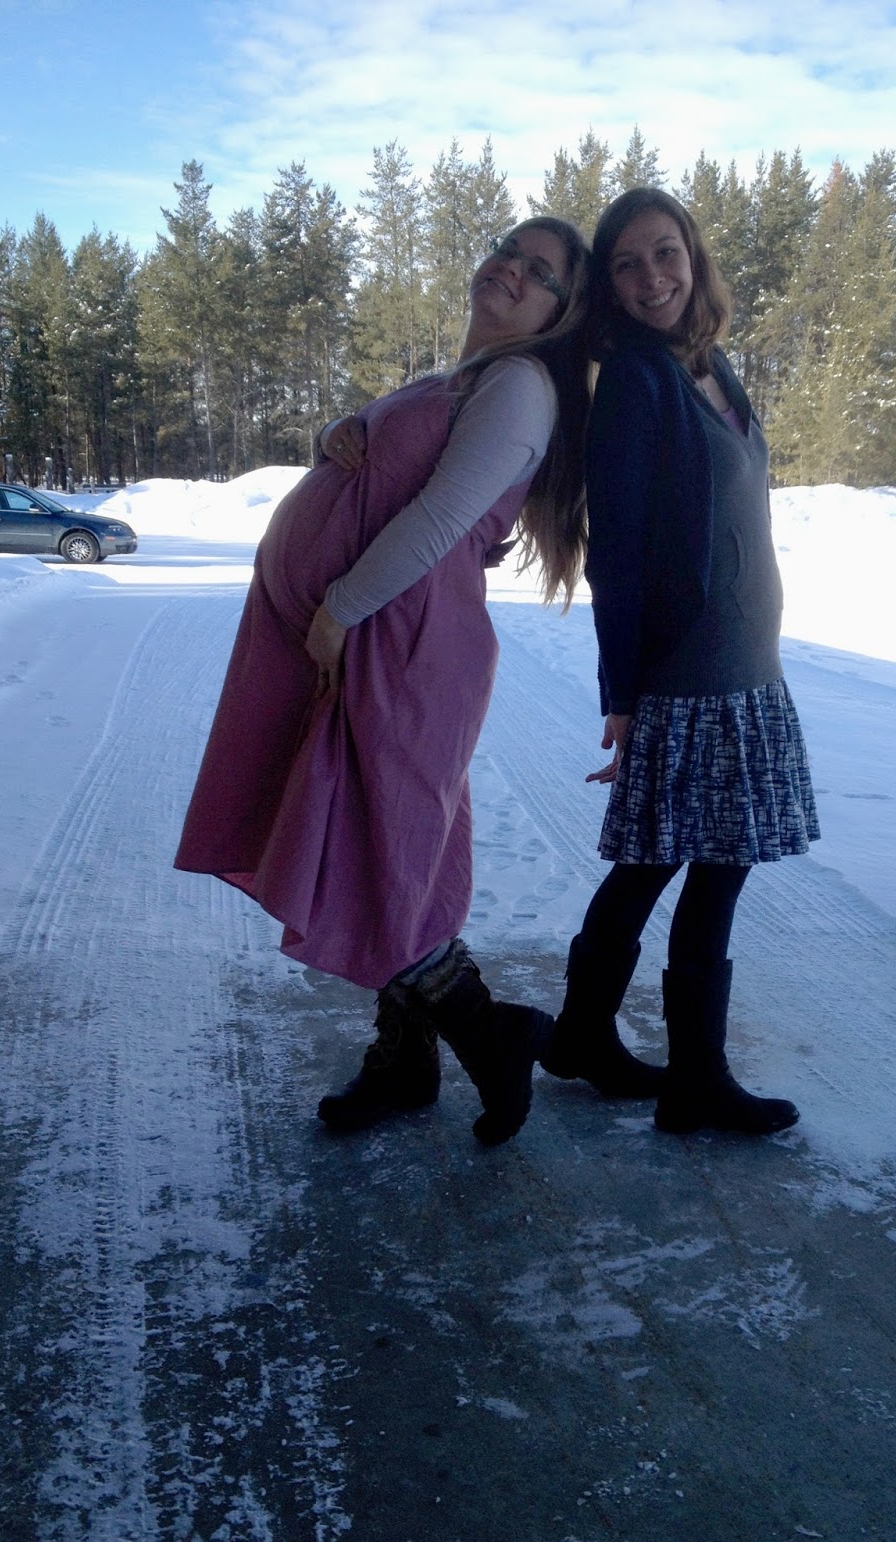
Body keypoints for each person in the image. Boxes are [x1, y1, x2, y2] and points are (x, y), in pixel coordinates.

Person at [175, 219, 591, 1146]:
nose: (512, 270)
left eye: (540, 272)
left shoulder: (522, 384)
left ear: (560, 313)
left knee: (380, 854)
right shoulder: (467, 377)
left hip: (399, 640)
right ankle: (404, 1062)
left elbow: (443, 516)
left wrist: (341, 608)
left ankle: (492, 1034)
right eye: (509, 250)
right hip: (375, 634)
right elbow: (397, 473)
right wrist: (345, 433)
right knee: (379, 848)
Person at [541, 188, 820, 1136]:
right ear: (609, 286)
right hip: (692, 677)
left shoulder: (708, 363)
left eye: (666, 252)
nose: (652, 277)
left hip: (747, 669)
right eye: (627, 263)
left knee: (665, 861)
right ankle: (692, 1076)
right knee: (702, 863)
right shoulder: (635, 378)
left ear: (694, 256)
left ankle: (582, 1034)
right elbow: (616, 550)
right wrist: (622, 690)